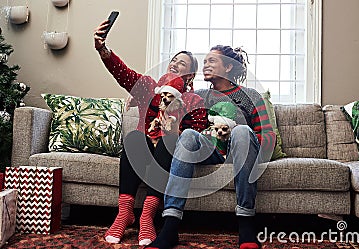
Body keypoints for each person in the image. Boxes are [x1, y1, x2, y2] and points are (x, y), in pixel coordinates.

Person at [147, 45, 276, 249]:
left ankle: (246, 225)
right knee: (189, 135)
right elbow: (164, 101)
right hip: (211, 151)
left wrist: (241, 138)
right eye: (204, 61)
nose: (205, 64)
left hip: (240, 152)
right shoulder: (198, 97)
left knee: (242, 132)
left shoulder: (251, 96)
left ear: (228, 67)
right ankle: (170, 226)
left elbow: (268, 135)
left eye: (211, 61)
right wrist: (140, 100)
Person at [93, 19, 208, 245]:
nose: (175, 63)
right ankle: (125, 212)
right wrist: (102, 49)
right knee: (135, 136)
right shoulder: (149, 87)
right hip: (142, 152)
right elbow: (124, 74)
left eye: (182, 63)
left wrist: (173, 127)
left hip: (168, 155)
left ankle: (147, 216)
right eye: (174, 60)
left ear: (191, 75)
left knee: (169, 140)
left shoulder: (194, 100)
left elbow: (195, 137)